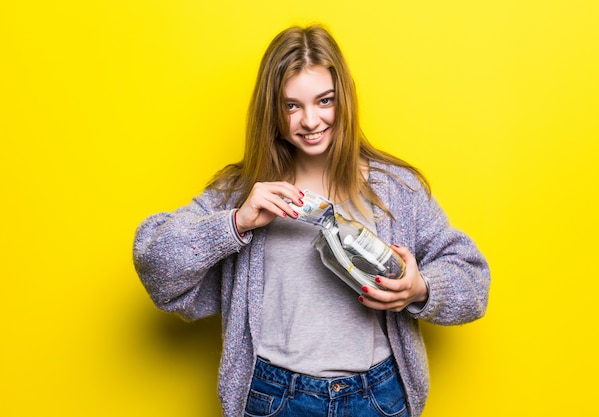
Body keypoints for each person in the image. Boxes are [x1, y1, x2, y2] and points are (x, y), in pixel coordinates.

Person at [133, 24, 490, 417]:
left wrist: (420, 288)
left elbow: (473, 280)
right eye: (291, 105)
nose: (310, 120)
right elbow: (155, 263)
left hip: (377, 396)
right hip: (273, 396)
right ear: (272, 111)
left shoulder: (396, 190)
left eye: (325, 101)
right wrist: (236, 223)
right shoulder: (242, 192)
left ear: (345, 101)